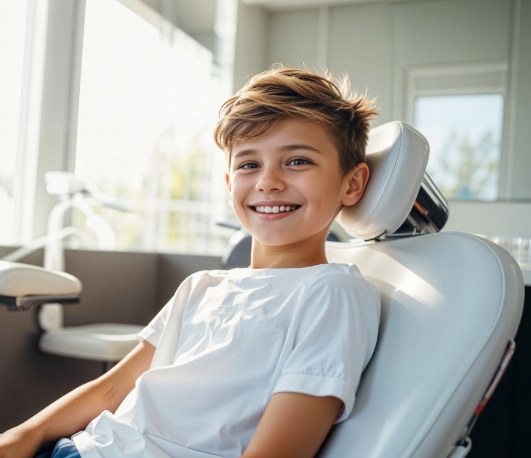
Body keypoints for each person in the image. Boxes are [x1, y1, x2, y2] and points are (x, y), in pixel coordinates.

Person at [0, 66, 380, 458]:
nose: (268, 181)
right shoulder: (201, 287)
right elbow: (114, 388)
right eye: (249, 164)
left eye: (297, 161)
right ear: (231, 184)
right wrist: (23, 436)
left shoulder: (333, 293)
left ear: (351, 184)